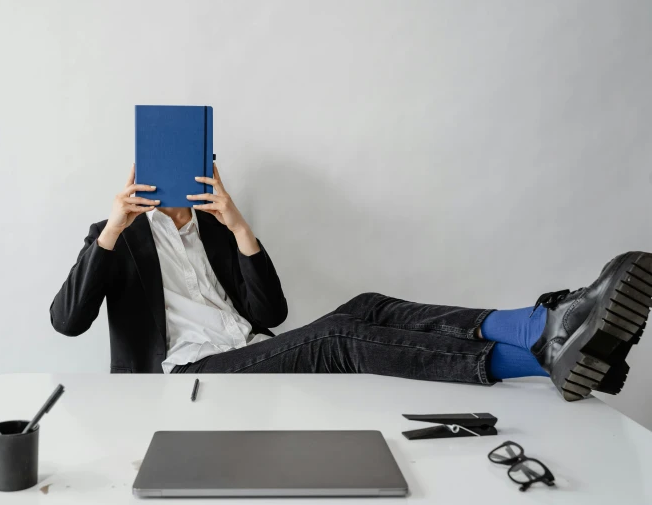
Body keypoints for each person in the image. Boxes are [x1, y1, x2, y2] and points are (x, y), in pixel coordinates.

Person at [50, 165, 651, 402]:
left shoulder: (213, 231)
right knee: (336, 336)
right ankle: (553, 341)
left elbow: (272, 311)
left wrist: (235, 224)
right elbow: (66, 320)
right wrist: (113, 226)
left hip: (248, 352)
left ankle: (547, 336)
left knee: (367, 305)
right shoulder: (117, 235)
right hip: (190, 376)